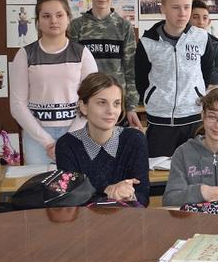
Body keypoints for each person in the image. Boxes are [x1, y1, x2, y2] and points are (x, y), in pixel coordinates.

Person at [134, 0, 218, 157]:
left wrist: (196, 93)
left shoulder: (202, 38)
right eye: (175, 7)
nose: (182, 13)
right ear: (163, 9)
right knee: (159, 169)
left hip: (193, 117)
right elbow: (141, 80)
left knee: (194, 167)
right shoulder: (147, 42)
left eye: (186, 7)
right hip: (159, 120)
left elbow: (205, 72)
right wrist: (155, 97)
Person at [10, 0, 98, 166]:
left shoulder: (82, 54)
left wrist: (68, 139)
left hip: (77, 132)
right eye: (46, 16)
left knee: (77, 181)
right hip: (37, 137)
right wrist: (47, 142)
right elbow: (17, 105)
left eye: (59, 15)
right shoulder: (25, 54)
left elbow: (92, 99)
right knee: (40, 182)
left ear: (68, 18)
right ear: (38, 21)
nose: (53, 21)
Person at [56, 72, 150, 206]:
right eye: (102, 102)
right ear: (83, 106)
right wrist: (108, 192)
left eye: (116, 103)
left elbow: (143, 197)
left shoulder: (135, 140)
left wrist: (129, 194)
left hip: (126, 217)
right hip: (84, 219)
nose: (111, 111)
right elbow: (71, 201)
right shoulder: (67, 145)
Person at [68, 0, 142, 128]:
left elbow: (130, 70)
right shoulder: (77, 26)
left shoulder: (124, 26)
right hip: (88, 101)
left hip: (115, 103)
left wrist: (131, 107)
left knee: (115, 143)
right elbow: (72, 69)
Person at [190, 0, 218, 85]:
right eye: (195, 17)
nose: (201, 22)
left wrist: (193, 71)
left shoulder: (214, 45)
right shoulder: (180, 43)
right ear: (187, 19)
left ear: (209, 22)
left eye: (205, 18)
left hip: (208, 92)